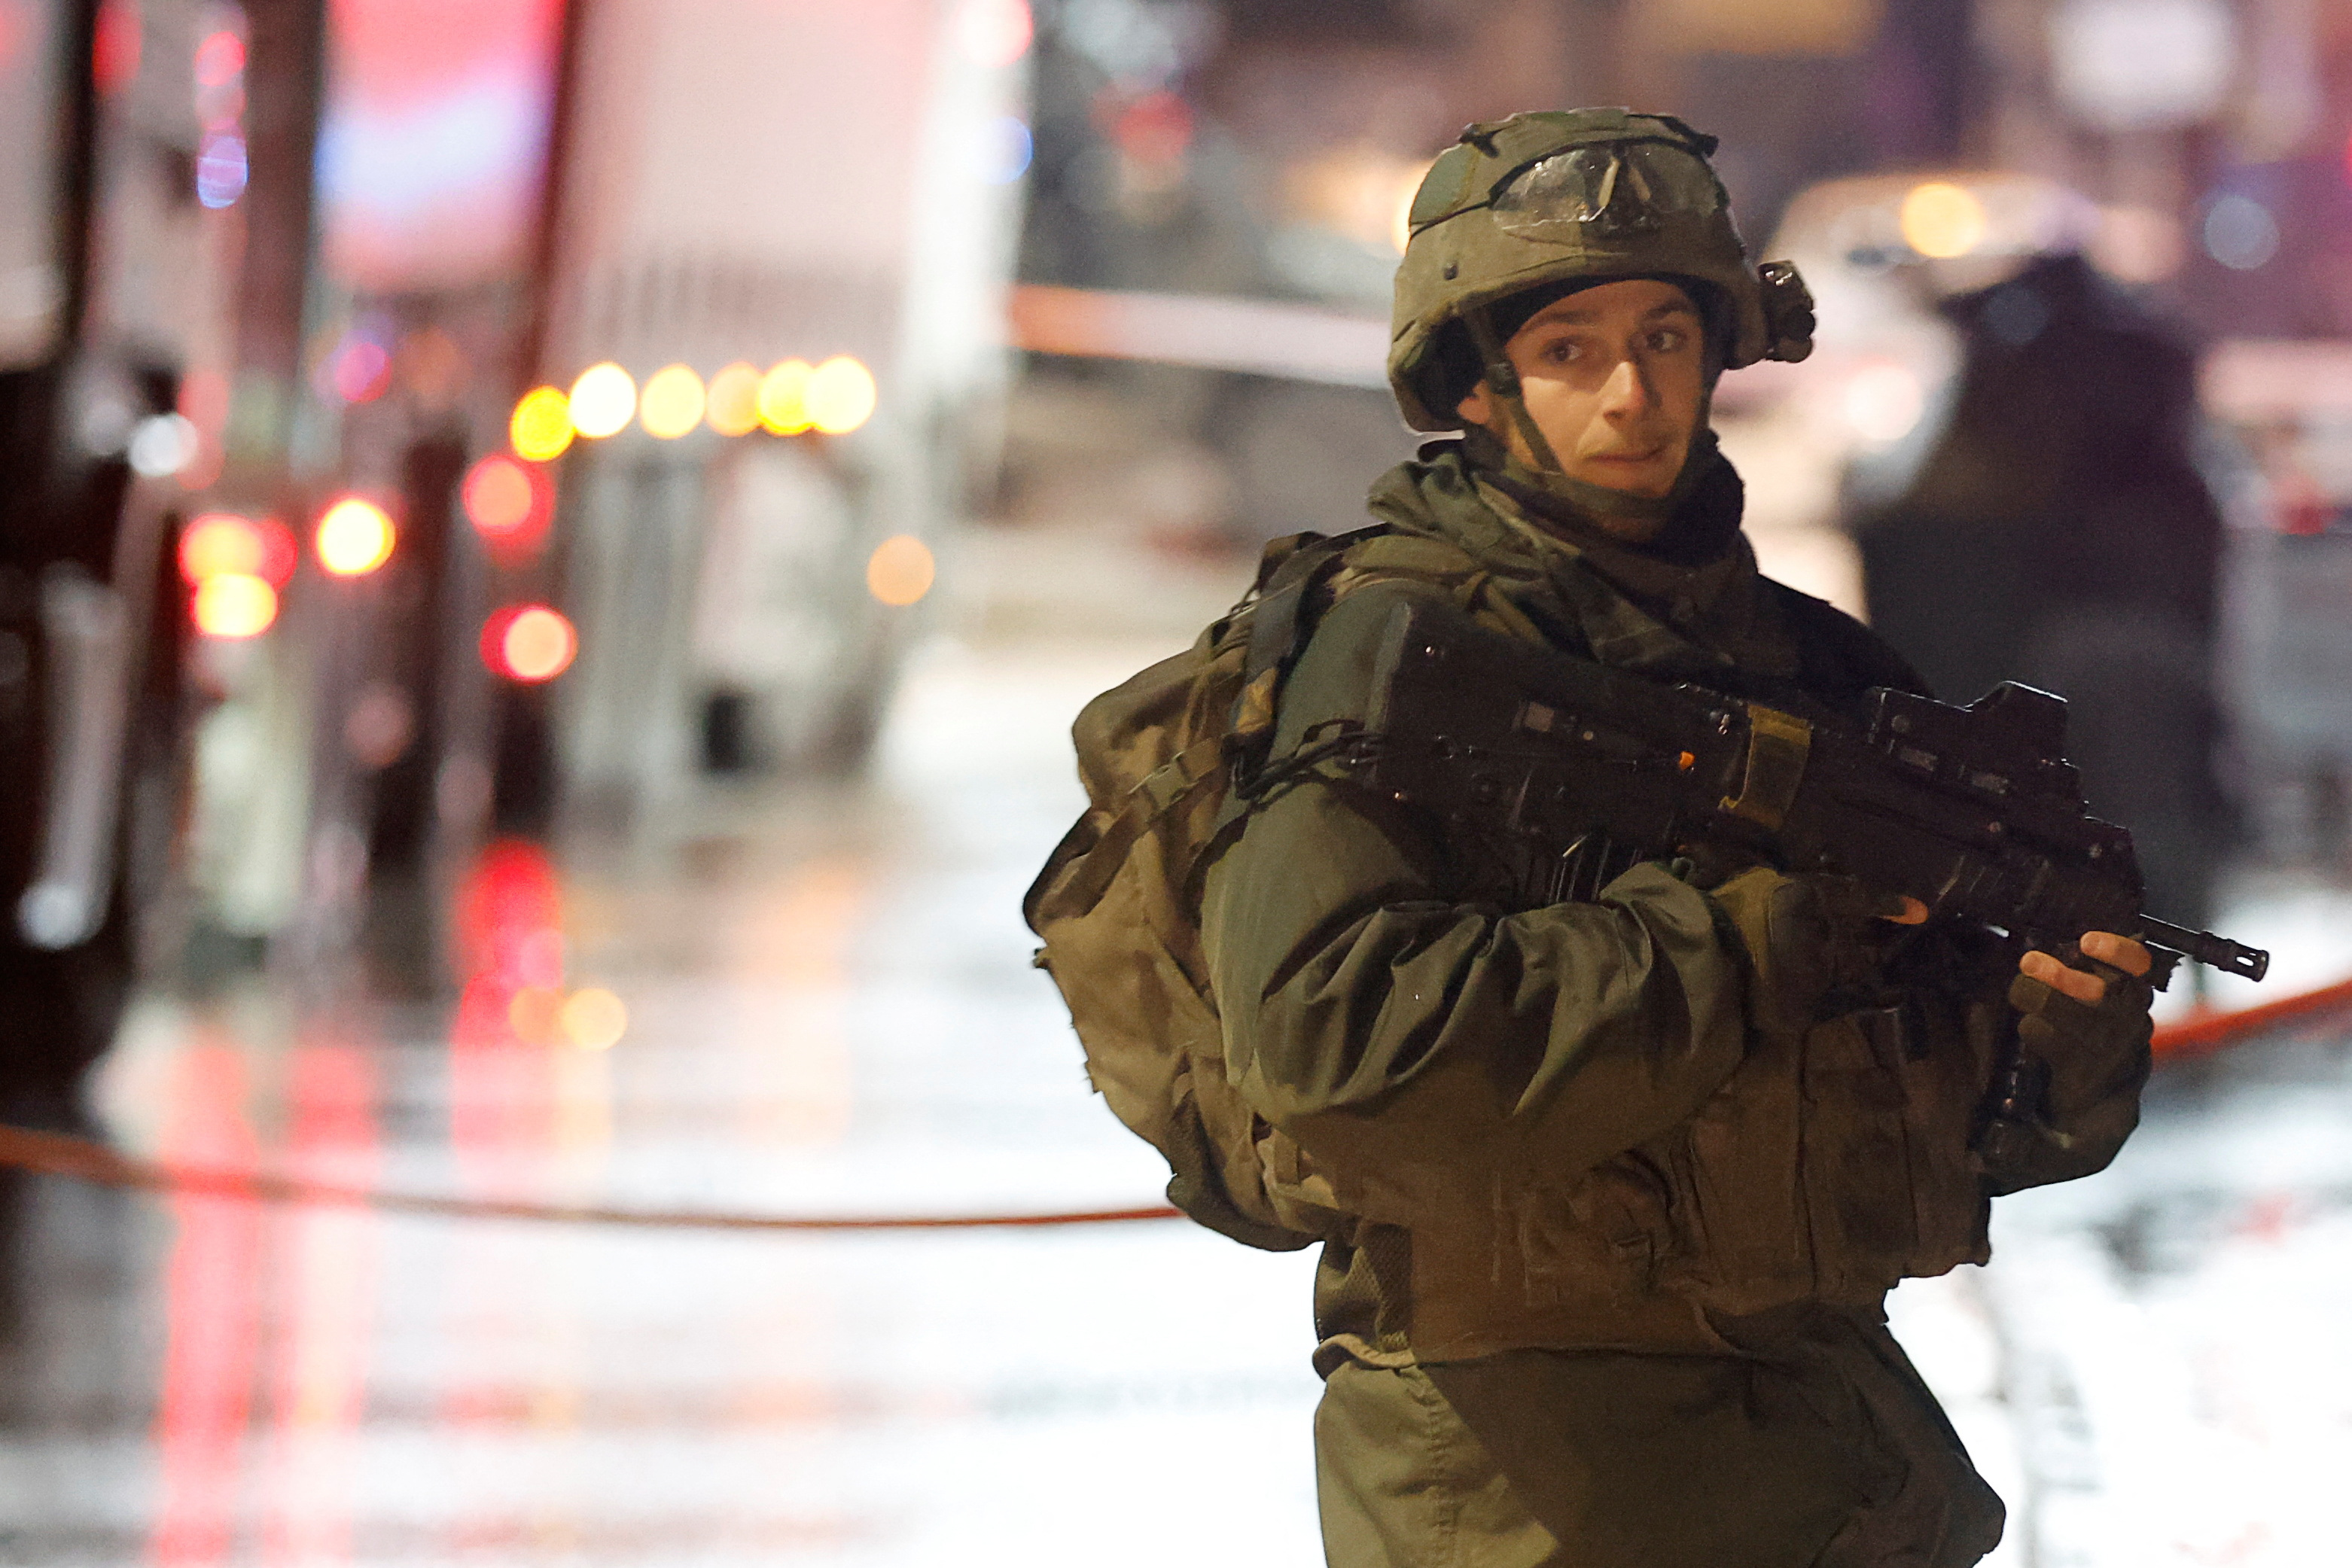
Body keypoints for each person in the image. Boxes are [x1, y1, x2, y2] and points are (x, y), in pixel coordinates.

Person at [1197, 110, 2157, 1567]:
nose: (1630, 392)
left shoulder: (1817, 676)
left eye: (1663, 337)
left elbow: (1937, 1135)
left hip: (1819, 1465)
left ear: (1719, 353)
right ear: (1477, 381)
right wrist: (1744, 936)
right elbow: (1329, 1046)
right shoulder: (1401, 656)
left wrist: (2060, 1046)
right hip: (1525, 1480)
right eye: (1568, 348)